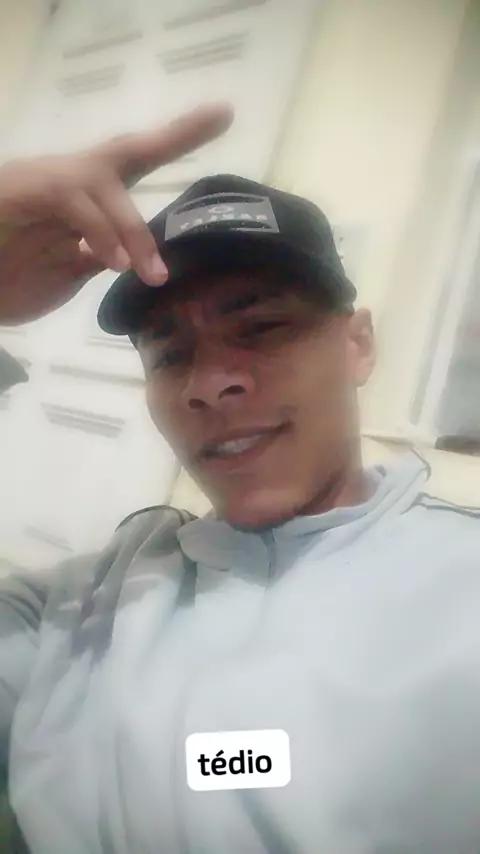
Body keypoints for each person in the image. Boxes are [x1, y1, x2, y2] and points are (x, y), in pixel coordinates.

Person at [0, 105, 479, 854]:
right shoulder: (76, 609)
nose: (208, 383)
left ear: (357, 346)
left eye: (260, 329)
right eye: (169, 353)